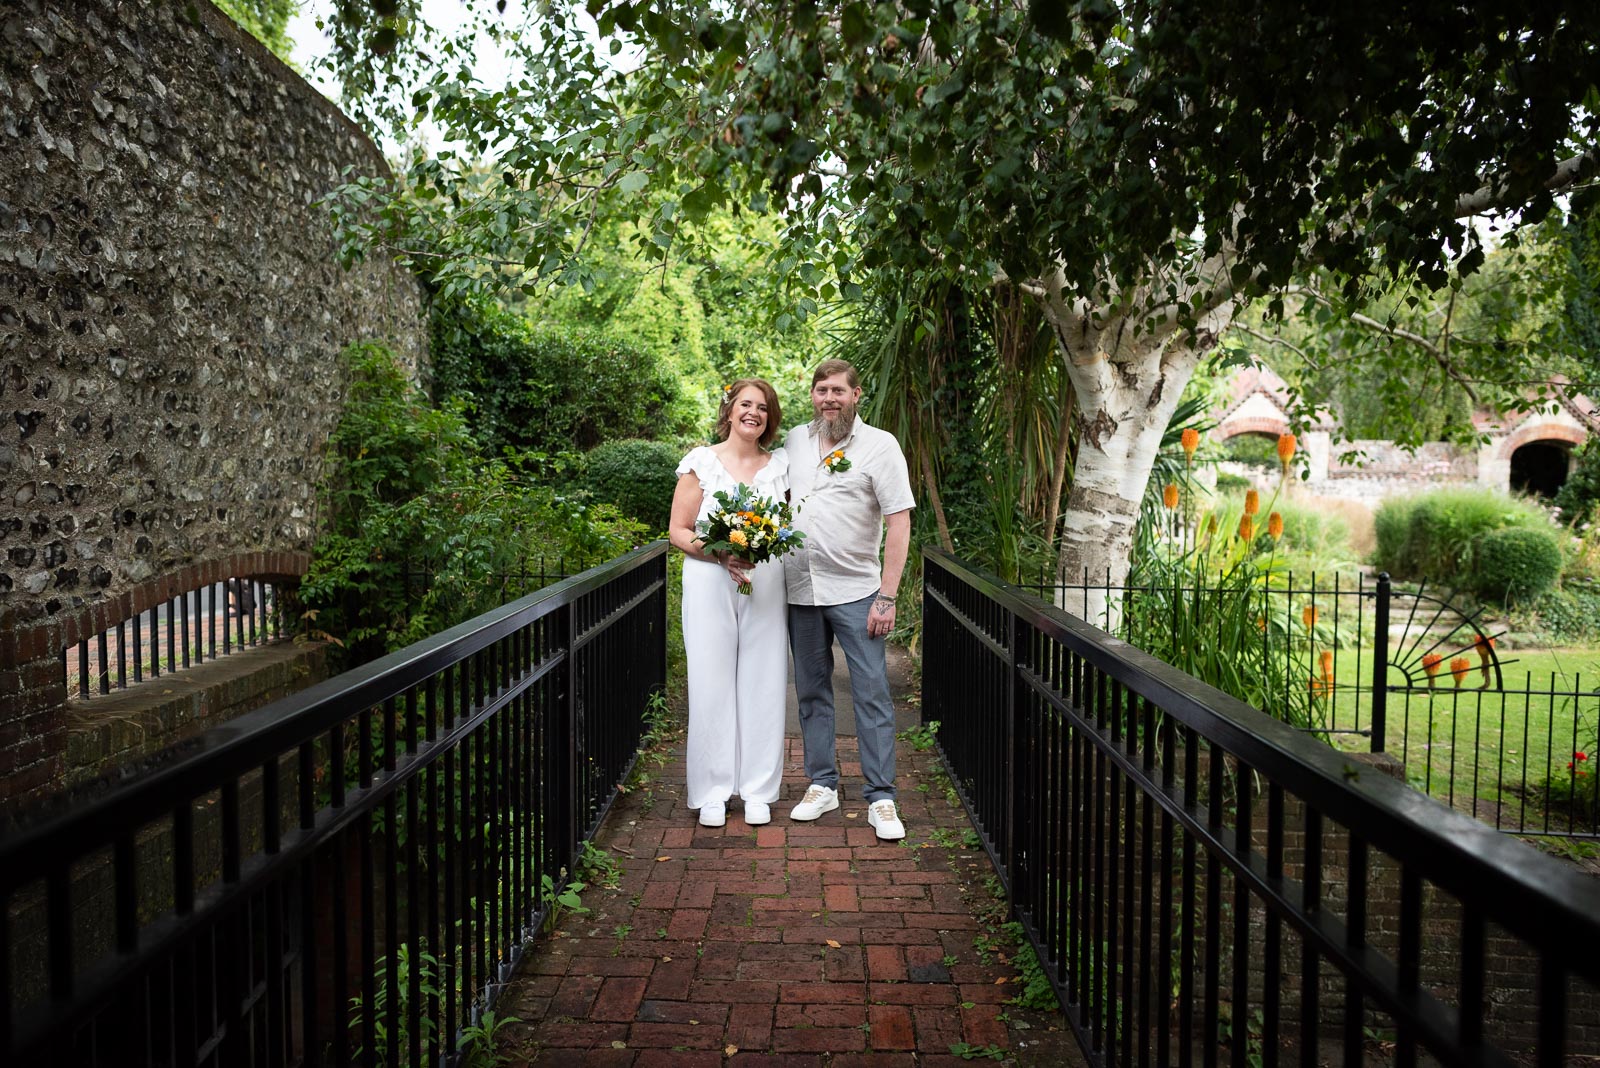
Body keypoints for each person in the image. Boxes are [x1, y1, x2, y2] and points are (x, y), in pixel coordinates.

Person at [783, 359, 915, 840]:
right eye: (822, 390)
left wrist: (888, 594)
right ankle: (822, 784)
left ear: (857, 395)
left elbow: (899, 522)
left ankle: (881, 797)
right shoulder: (796, 440)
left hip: (859, 592)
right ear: (813, 395)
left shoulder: (881, 446)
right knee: (811, 691)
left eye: (838, 390)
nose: (829, 398)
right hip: (800, 590)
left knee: (871, 694)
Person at [668, 379, 790, 828]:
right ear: (730, 410)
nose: (753, 413)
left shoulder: (780, 467)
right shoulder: (701, 462)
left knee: (764, 680)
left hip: (765, 581)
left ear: (769, 417)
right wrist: (718, 550)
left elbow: (786, 525)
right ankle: (714, 791)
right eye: (745, 404)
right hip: (707, 579)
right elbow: (678, 530)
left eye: (762, 407)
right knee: (710, 681)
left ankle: (758, 789)